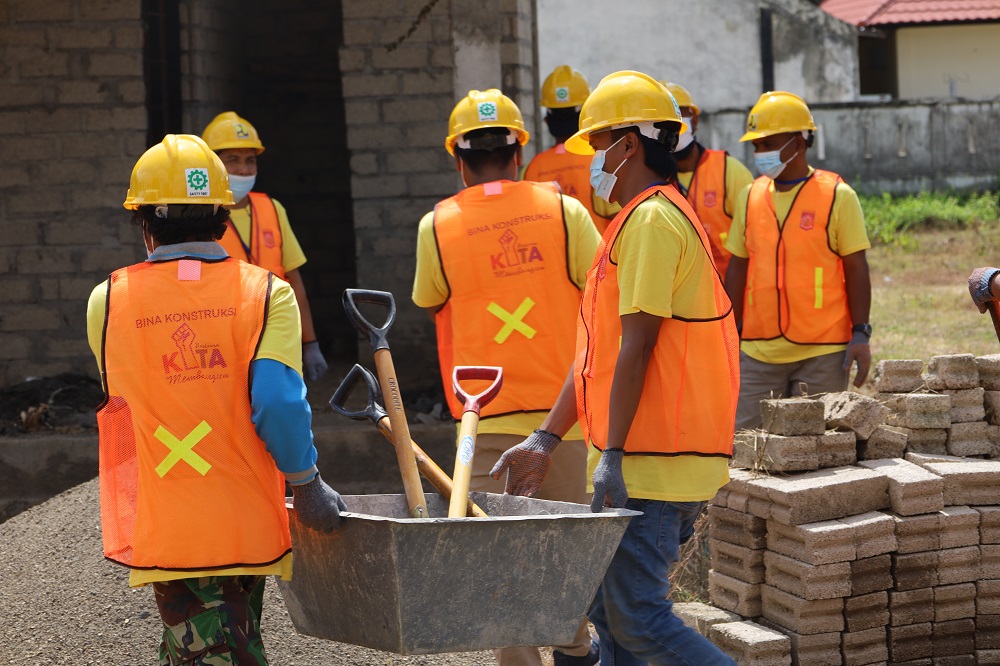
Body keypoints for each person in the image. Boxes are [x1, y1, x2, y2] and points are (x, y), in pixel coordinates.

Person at [491, 71, 739, 666]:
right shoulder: (634, 220)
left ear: (630, 145)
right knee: (609, 615)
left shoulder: (652, 221)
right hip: (643, 456)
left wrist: (614, 454)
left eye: (599, 144)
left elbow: (639, 344)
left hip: (654, 462)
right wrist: (547, 437)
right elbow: (598, 355)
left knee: (637, 618)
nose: (592, 160)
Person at [87, 134, 346, 665]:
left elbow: (128, 397)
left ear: (145, 223)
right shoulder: (267, 293)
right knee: (222, 648)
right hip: (245, 518)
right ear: (223, 219)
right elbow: (277, 404)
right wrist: (306, 483)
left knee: (207, 650)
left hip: (166, 524)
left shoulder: (107, 302)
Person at [411, 89, 601, 666]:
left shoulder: (437, 226)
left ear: (458, 159)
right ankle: (575, 651)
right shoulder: (566, 212)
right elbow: (602, 296)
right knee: (566, 556)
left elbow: (430, 297)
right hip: (565, 419)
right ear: (519, 153)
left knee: (499, 566)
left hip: (483, 418)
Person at [723, 91, 872, 430]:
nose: (760, 153)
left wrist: (861, 333)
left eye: (768, 144)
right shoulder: (750, 196)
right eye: (756, 145)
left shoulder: (837, 195)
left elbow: (856, 267)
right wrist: (730, 329)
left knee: (819, 448)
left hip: (822, 351)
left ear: (799, 142)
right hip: (758, 352)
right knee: (748, 444)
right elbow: (738, 266)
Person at [201, 111, 328, 382]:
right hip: (223, 344)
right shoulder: (199, 216)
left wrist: (310, 342)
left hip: (277, 338)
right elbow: (187, 281)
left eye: (250, 160)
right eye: (233, 160)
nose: (244, 170)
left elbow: (294, 279)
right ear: (212, 165)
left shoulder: (272, 208)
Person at [665, 81, 753, 278]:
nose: (674, 127)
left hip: (726, 288)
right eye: (666, 121)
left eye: (679, 116)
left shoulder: (728, 170)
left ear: (695, 120)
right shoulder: (653, 177)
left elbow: (755, 238)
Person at [523, 65, 618, 234]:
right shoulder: (602, 160)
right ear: (585, 116)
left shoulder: (531, 169)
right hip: (598, 250)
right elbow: (621, 216)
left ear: (547, 120)